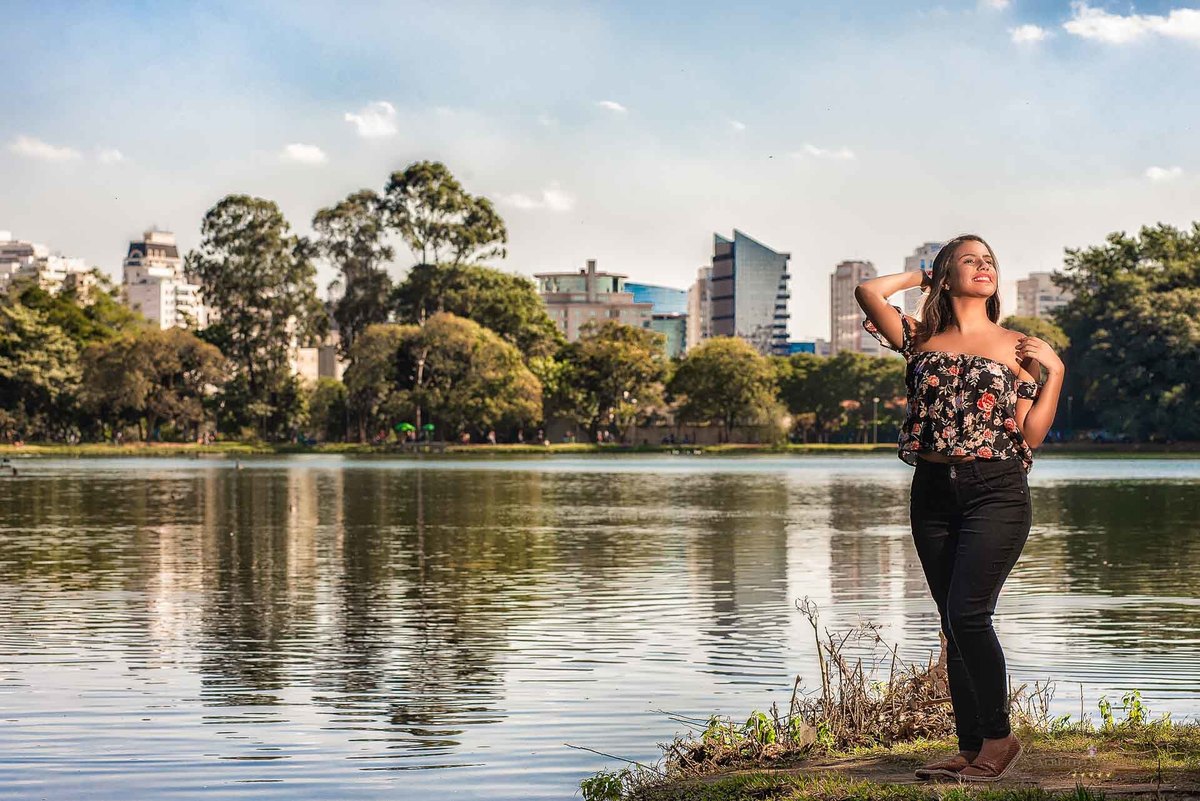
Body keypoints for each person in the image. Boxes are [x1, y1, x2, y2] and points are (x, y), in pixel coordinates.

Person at [855, 234, 1064, 783]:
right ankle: (970, 747)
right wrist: (921, 277)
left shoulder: (1018, 347)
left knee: (970, 614)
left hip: (996, 488)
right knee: (952, 621)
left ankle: (999, 739)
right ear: (946, 275)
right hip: (932, 490)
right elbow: (869, 291)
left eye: (989, 260)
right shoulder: (919, 337)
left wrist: (1056, 374)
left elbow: (1030, 435)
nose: (983, 266)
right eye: (969, 260)